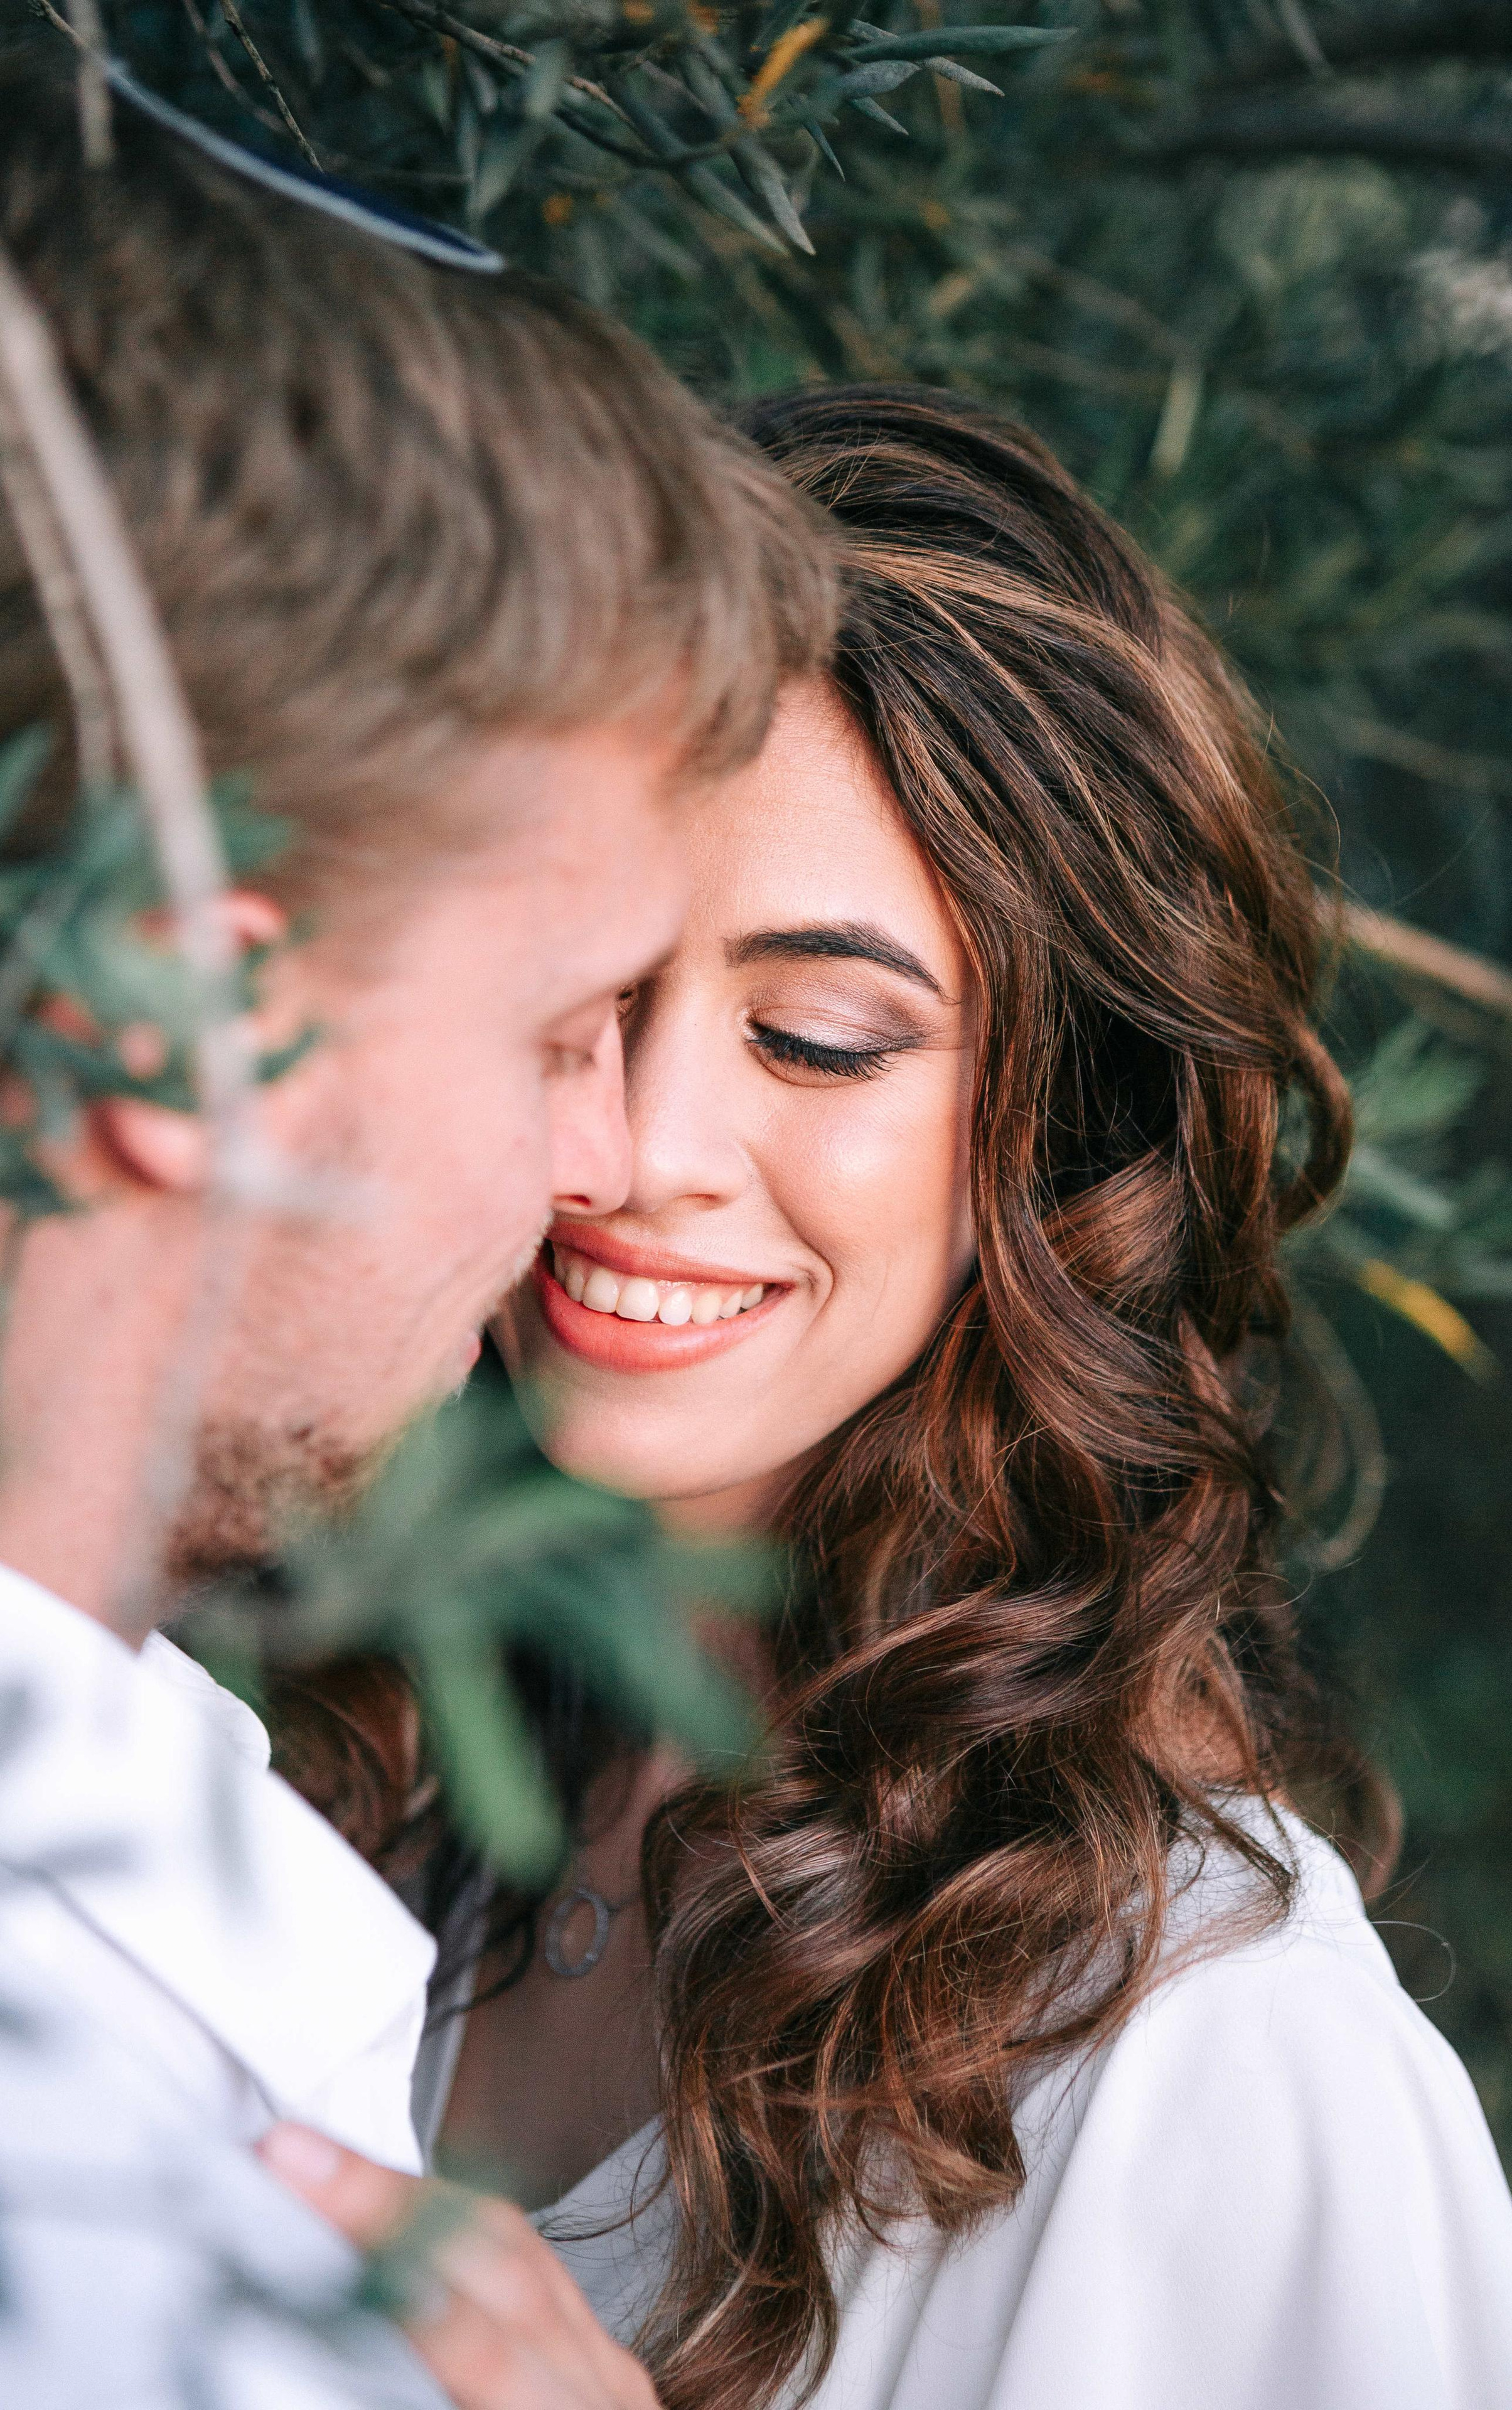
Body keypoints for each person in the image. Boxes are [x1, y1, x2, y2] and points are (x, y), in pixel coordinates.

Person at [361, 386, 1511, 2410]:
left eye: (815, 1037)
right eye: (584, 994)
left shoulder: (1218, 2076)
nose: (634, 1149)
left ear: (1061, 1138)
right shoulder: (337, 1773)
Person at [0, 50, 832, 2409]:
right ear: (178, 1030)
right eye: (568, 1026)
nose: (607, 1162)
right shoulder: (54, 2226)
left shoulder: (151, 1860)